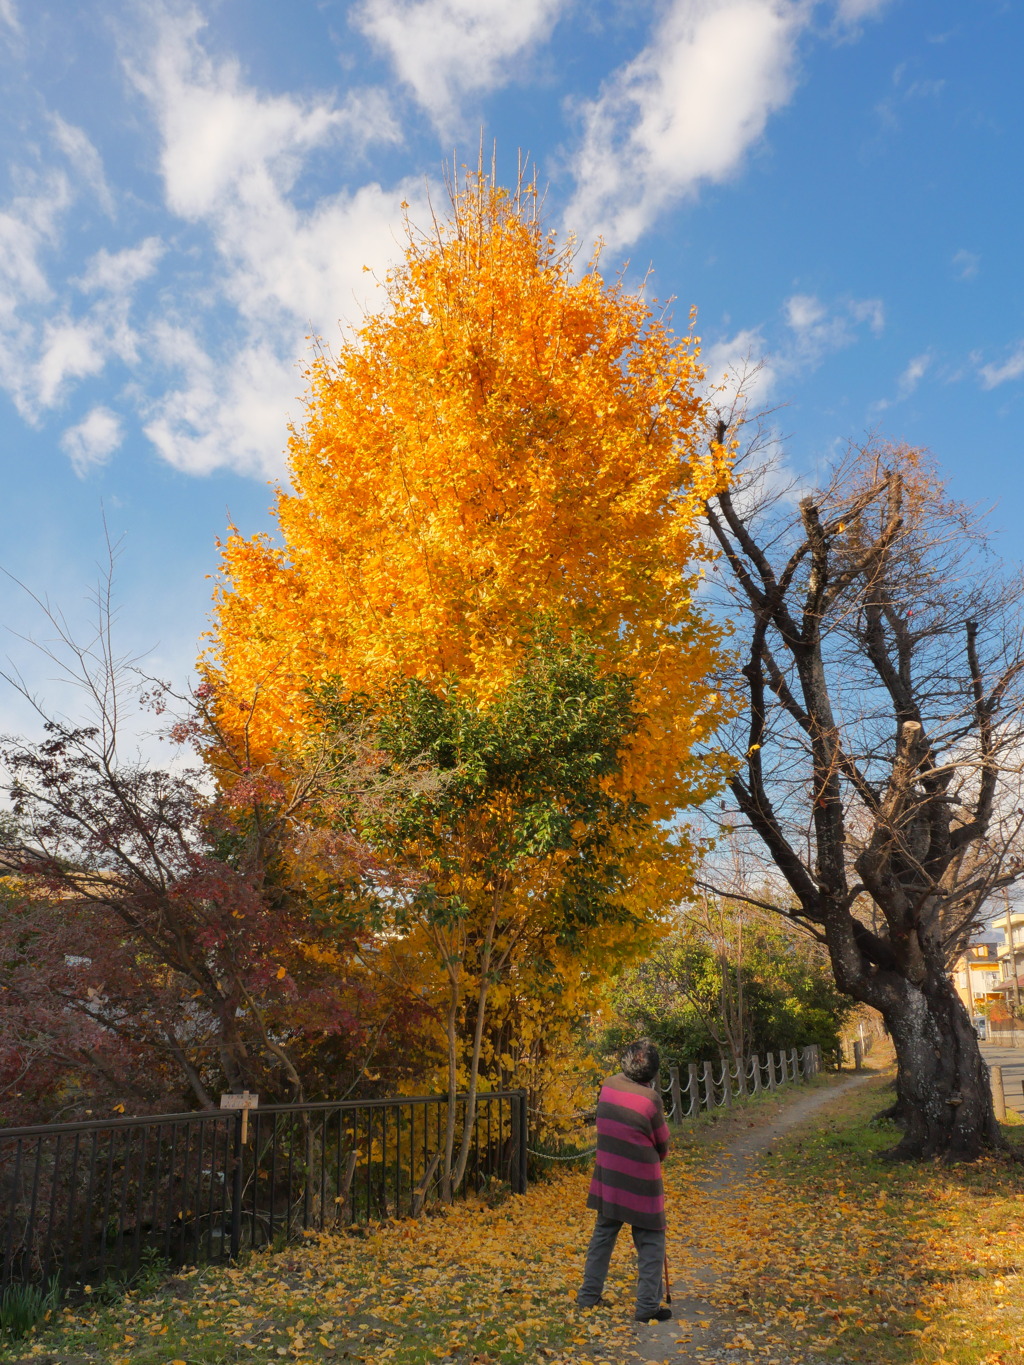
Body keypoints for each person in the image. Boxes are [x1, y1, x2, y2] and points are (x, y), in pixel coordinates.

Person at [577, 1039, 672, 1323]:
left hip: (609, 1173)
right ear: (653, 1073)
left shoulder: (608, 1085)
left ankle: (588, 1297)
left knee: (603, 1234)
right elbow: (663, 1144)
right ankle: (646, 1307)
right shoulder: (650, 1100)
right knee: (651, 1238)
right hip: (641, 1179)